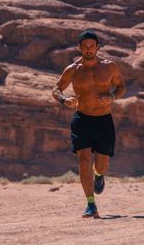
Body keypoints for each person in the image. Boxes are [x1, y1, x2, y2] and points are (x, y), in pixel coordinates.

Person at [52, 29, 126, 218]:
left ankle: (99, 175)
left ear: (97, 47)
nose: (88, 49)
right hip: (82, 119)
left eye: (92, 46)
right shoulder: (73, 70)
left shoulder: (109, 67)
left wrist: (111, 97)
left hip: (103, 120)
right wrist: (63, 100)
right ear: (80, 48)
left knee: (101, 165)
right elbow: (56, 88)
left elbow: (121, 87)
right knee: (84, 160)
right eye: (85, 46)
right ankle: (91, 205)